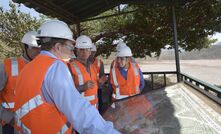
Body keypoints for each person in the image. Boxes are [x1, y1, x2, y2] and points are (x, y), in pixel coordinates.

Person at [13, 20, 120, 134]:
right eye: (69, 45)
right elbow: (78, 110)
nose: (71, 49)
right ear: (58, 47)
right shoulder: (55, 66)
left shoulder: (29, 68)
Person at [0, 31, 40, 134]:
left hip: (38, 122)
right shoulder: (6, 66)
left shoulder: (44, 67)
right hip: (12, 125)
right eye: (34, 47)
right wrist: (8, 117)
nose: (38, 51)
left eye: (40, 48)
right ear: (24, 47)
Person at [68, 35, 99, 108]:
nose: (84, 52)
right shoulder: (70, 67)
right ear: (76, 50)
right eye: (81, 49)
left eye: (87, 49)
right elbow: (67, 92)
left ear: (90, 51)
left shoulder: (92, 67)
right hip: (80, 108)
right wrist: (83, 87)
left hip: (94, 107)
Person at [89, 43, 106, 113]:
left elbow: (103, 75)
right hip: (87, 89)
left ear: (95, 52)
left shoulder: (99, 62)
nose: (91, 54)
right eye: (90, 52)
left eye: (93, 52)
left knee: (99, 106)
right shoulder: (82, 62)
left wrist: (101, 81)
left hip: (98, 89)